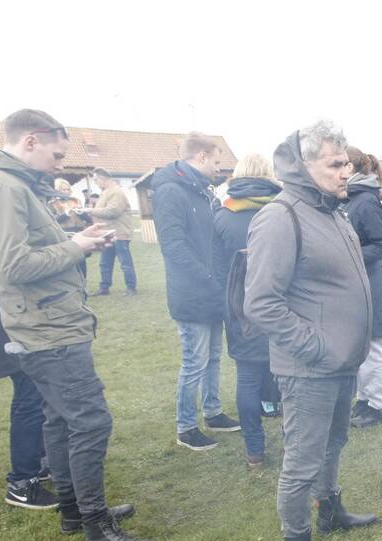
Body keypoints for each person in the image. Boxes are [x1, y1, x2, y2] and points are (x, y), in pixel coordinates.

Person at [0, 108, 155, 541]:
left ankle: (76, 512)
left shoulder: (16, 185)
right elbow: (12, 265)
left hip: (47, 323)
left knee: (59, 421)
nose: (62, 165)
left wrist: (79, 236)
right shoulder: (3, 186)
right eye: (58, 154)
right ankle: (99, 533)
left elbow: (30, 249)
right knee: (90, 422)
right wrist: (75, 246)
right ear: (32, 141)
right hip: (47, 329)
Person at [244, 120, 379, 541]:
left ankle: (332, 509)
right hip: (309, 369)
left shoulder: (332, 213)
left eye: (347, 163)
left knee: (334, 443)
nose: (348, 172)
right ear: (303, 167)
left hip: (343, 363)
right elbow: (261, 303)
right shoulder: (280, 217)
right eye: (336, 164)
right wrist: (317, 348)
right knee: (301, 461)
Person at [153, 132, 240, 451]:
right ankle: (186, 426)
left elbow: (212, 241)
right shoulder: (170, 192)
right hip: (191, 294)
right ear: (201, 156)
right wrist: (205, 277)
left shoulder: (202, 192)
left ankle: (213, 411)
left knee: (213, 357)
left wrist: (218, 277)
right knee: (195, 361)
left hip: (211, 290)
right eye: (216, 161)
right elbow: (173, 246)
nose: (219, 168)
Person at [213, 153, 281, 467]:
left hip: (239, 305)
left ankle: (254, 450)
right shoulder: (281, 210)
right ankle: (295, 442)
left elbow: (215, 267)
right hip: (281, 300)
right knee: (287, 374)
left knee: (248, 376)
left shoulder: (223, 214)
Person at [0, 268, 55, 510]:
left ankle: (41, 462)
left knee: (40, 397)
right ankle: (22, 483)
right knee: (30, 401)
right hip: (8, 323)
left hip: (11, 319)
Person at [343, 147, 382, 429]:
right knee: (360, 345)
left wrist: (346, 253)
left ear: (350, 168)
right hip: (354, 283)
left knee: (373, 345)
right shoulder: (351, 198)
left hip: (368, 282)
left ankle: (380, 405)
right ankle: (365, 398)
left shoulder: (365, 201)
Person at [88, 168, 137, 296]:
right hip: (106, 233)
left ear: (103, 179)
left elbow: (113, 212)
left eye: (96, 180)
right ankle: (104, 287)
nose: (96, 183)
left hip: (119, 233)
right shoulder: (105, 192)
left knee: (125, 263)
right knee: (105, 263)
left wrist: (90, 211)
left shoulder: (116, 192)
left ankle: (131, 288)